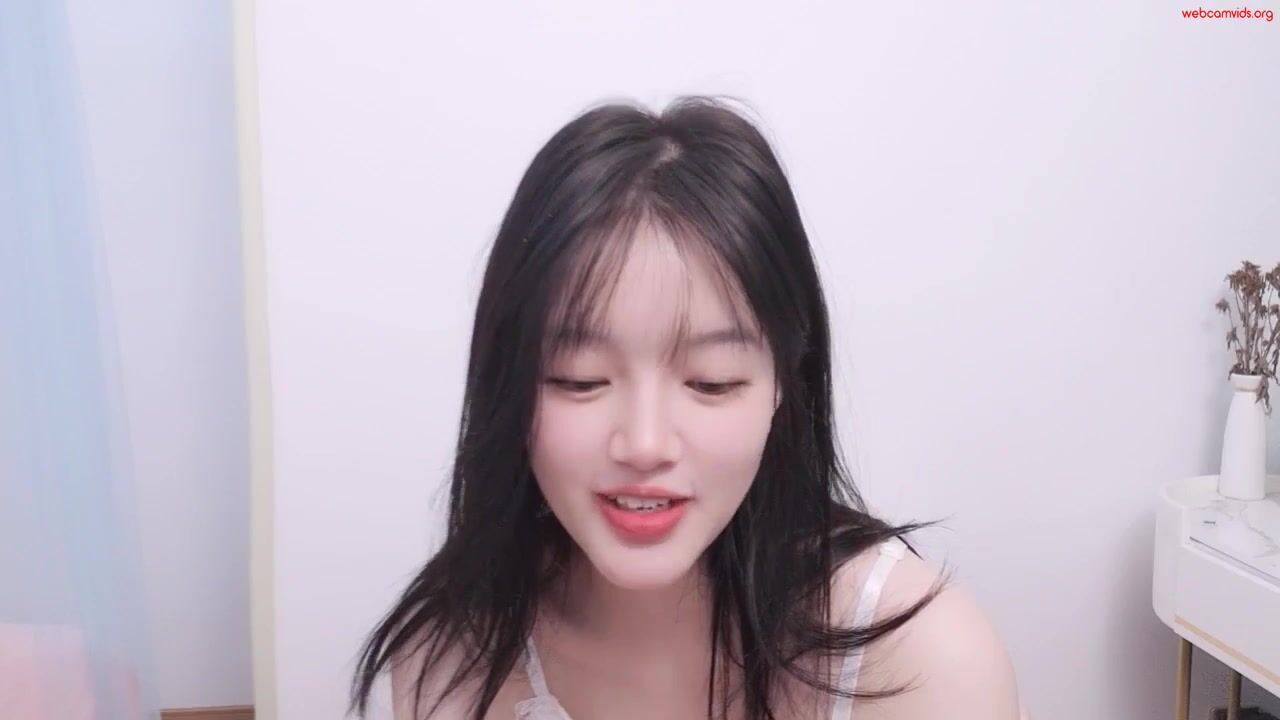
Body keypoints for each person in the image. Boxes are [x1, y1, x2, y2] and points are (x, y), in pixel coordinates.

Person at [349, 96, 1023, 720]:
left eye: (711, 382)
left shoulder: (923, 660)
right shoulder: (452, 659)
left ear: (783, 383)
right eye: (580, 379)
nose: (644, 444)